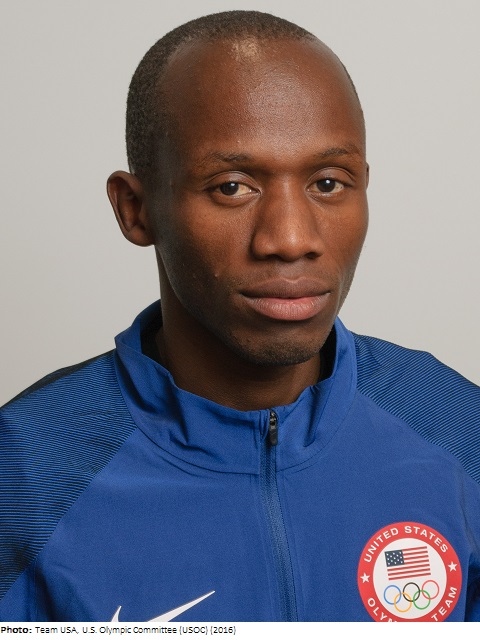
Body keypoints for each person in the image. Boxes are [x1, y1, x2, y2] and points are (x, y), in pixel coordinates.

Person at [0, 10, 479, 623]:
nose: (290, 238)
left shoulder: (456, 426)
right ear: (135, 210)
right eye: (232, 187)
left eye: (328, 183)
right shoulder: (27, 470)